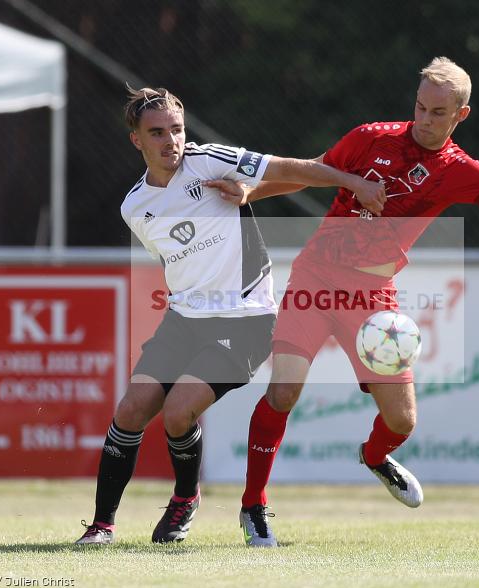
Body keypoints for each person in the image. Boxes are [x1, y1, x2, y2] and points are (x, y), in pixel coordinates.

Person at [215, 57, 479, 547]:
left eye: (439, 112)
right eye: (420, 106)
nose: (425, 118)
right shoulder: (371, 137)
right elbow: (313, 174)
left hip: (373, 295)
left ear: (462, 114)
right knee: (285, 391)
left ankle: (374, 456)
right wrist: (252, 190)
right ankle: (254, 506)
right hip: (316, 277)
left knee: (402, 421)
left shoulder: (462, 171)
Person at [75, 86, 386, 545]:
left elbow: (291, 170)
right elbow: (175, 261)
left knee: (179, 413)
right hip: (184, 319)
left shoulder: (210, 161)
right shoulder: (134, 207)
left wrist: (351, 182)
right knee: (131, 410)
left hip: (246, 320)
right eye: (157, 132)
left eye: (177, 129)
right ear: (136, 141)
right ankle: (102, 526)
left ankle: (184, 499)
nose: (171, 141)